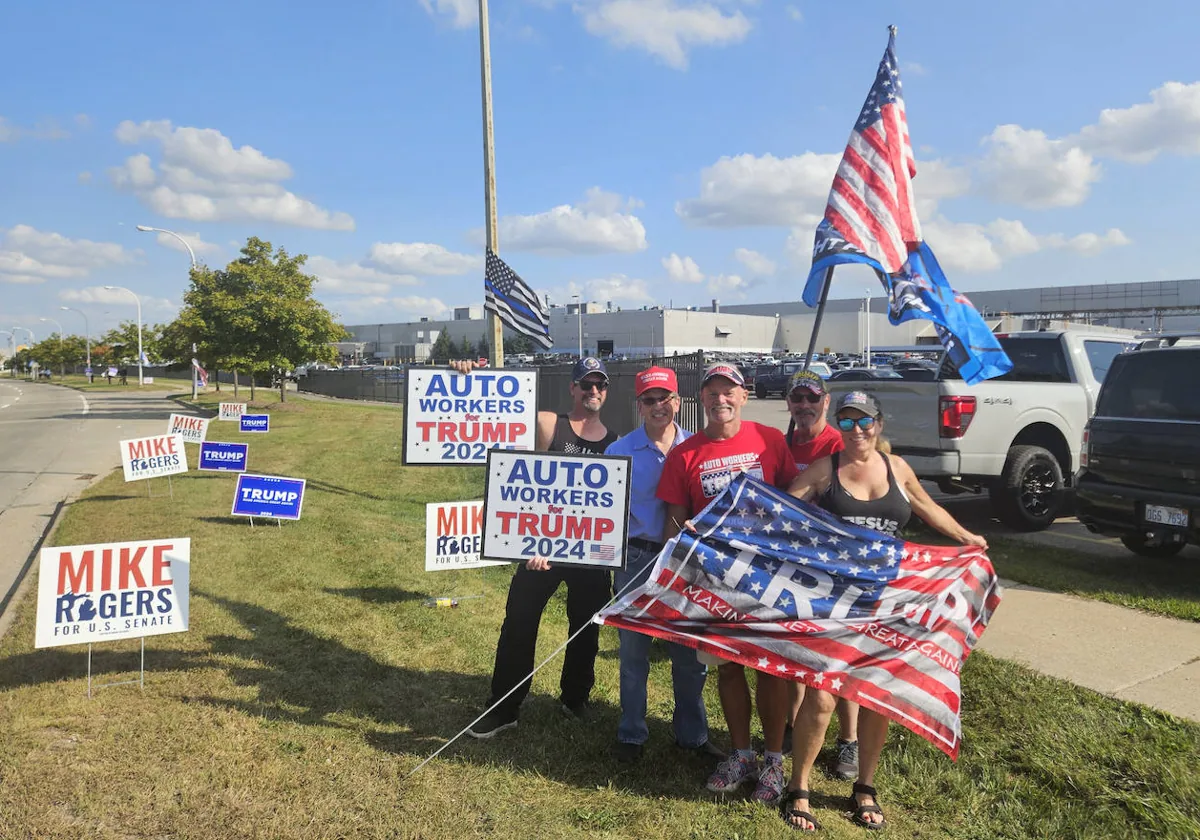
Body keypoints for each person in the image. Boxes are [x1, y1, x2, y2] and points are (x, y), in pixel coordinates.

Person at [780, 391, 987, 832]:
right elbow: (782, 510)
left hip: (889, 602)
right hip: (833, 602)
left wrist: (967, 538)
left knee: (876, 696)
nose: (857, 430)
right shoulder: (827, 469)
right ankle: (799, 787)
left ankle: (865, 788)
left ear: (879, 422)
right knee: (821, 694)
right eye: (848, 422)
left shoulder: (897, 468)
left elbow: (927, 508)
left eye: (865, 421)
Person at [659, 363, 800, 804]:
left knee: (769, 668)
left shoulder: (770, 440)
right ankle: (741, 754)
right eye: (712, 392)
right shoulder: (685, 454)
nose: (721, 399)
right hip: (714, 578)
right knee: (727, 666)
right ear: (701, 399)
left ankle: (774, 759)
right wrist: (678, 559)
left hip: (768, 576)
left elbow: (797, 498)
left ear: (744, 396)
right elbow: (674, 519)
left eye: (729, 391)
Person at [468, 356, 619, 738]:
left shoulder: (616, 442)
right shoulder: (549, 424)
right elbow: (501, 417)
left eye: (600, 385)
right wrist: (469, 377)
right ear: (573, 388)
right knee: (519, 622)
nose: (594, 391)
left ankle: (575, 698)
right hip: (539, 550)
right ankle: (504, 707)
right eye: (586, 384)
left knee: (585, 628)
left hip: (588, 554)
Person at [605, 366, 719, 763]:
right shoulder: (618, 452)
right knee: (634, 652)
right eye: (649, 400)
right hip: (637, 556)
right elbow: (603, 514)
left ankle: (692, 736)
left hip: (687, 562)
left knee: (688, 656)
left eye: (665, 398)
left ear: (679, 402)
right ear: (639, 405)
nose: (658, 407)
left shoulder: (698, 449)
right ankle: (631, 734)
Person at [782, 369, 859, 781]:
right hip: (796, 567)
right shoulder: (784, 443)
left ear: (826, 402)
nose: (805, 406)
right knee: (796, 656)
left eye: (813, 398)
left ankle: (848, 742)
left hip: (837, 567)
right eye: (797, 398)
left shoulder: (839, 444)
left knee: (839, 663)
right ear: (789, 403)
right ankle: (793, 732)